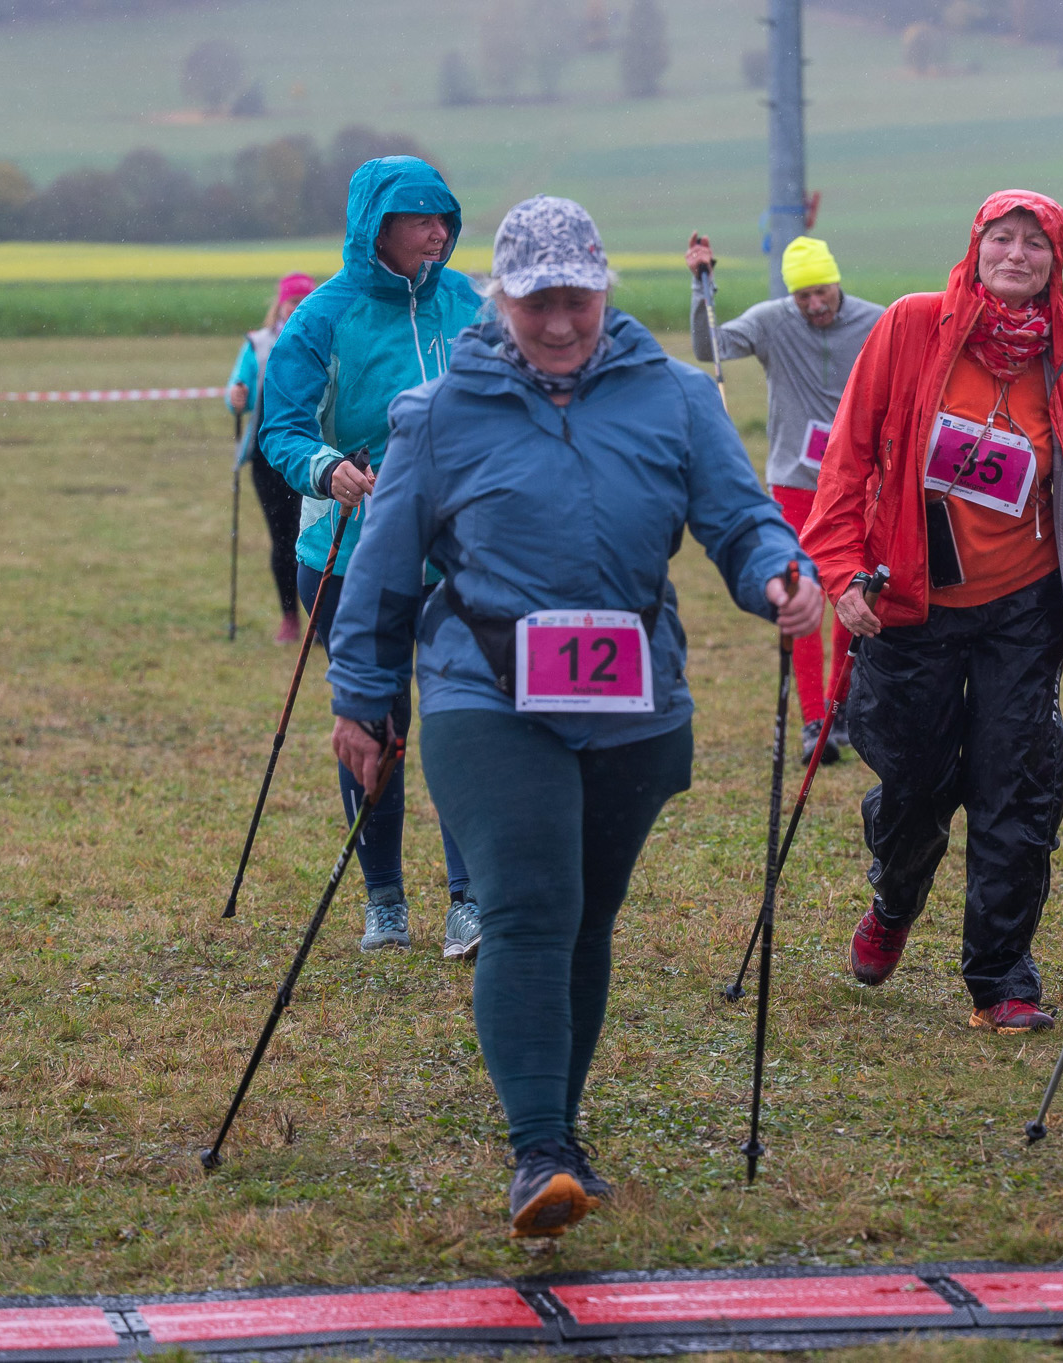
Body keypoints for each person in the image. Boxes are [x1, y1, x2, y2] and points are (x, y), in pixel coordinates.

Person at [323, 196, 822, 1239]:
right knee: (528, 904)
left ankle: (563, 1129)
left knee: (587, 914)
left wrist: (778, 571)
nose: (558, 322)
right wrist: (363, 697)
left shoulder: (674, 396)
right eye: (535, 301)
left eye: (577, 300)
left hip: (632, 696)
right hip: (483, 688)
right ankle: (540, 1149)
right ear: (499, 298)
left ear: (604, 291)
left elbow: (737, 518)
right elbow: (383, 567)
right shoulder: (438, 412)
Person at [800, 190, 1063, 1035]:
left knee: (1015, 787)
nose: (1017, 254)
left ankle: (1000, 978)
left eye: (1035, 243)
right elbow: (849, 455)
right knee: (915, 785)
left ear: (1056, 263)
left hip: (1023, 605)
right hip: (910, 602)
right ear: (976, 247)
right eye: (1003, 238)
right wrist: (839, 569)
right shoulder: (912, 325)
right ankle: (895, 899)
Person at [258, 156, 485, 959]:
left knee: (465, 720)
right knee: (376, 727)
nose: (438, 231)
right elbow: (282, 427)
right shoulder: (323, 317)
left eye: (444, 216)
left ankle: (471, 900)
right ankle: (384, 899)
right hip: (347, 555)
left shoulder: (469, 304)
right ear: (375, 228)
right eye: (420, 217)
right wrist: (328, 469)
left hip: (458, 557)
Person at [685, 232, 884, 764]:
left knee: (852, 595)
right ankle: (814, 718)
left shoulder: (876, 321)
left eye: (822, 292)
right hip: (794, 482)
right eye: (803, 296)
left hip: (856, 482)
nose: (815, 304)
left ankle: (842, 710)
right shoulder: (771, 320)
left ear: (836, 282)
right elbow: (709, 347)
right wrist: (702, 287)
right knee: (802, 596)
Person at [225, 272, 314, 643]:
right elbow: (236, 392)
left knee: (315, 539)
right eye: (292, 301)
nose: (297, 307)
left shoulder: (321, 338)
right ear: (280, 304)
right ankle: (289, 617)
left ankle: (320, 619)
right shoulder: (257, 344)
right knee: (284, 538)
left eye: (304, 301)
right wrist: (235, 397)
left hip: (313, 455)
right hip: (267, 460)